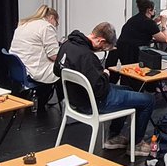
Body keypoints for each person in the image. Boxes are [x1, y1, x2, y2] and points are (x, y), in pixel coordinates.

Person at [57, 22, 155, 156]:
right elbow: (100, 89)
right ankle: (137, 144)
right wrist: (104, 74)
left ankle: (114, 137)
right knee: (148, 100)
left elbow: (57, 71)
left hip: (75, 99)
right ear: (101, 40)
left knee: (127, 88)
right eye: (104, 48)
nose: (102, 51)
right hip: (92, 103)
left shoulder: (67, 45)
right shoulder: (87, 56)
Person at [9, 5, 62, 108]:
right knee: (66, 69)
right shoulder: (46, 27)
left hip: (21, 69)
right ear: (51, 18)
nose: (56, 25)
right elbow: (54, 56)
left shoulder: (23, 24)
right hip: (35, 70)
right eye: (56, 22)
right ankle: (71, 106)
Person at [114, 0, 167, 66]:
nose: (155, 11)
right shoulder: (148, 22)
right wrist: (163, 23)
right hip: (136, 51)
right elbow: (164, 39)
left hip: (122, 50)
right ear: (149, 10)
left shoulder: (133, 19)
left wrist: (155, 22)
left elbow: (143, 28)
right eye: (154, 9)